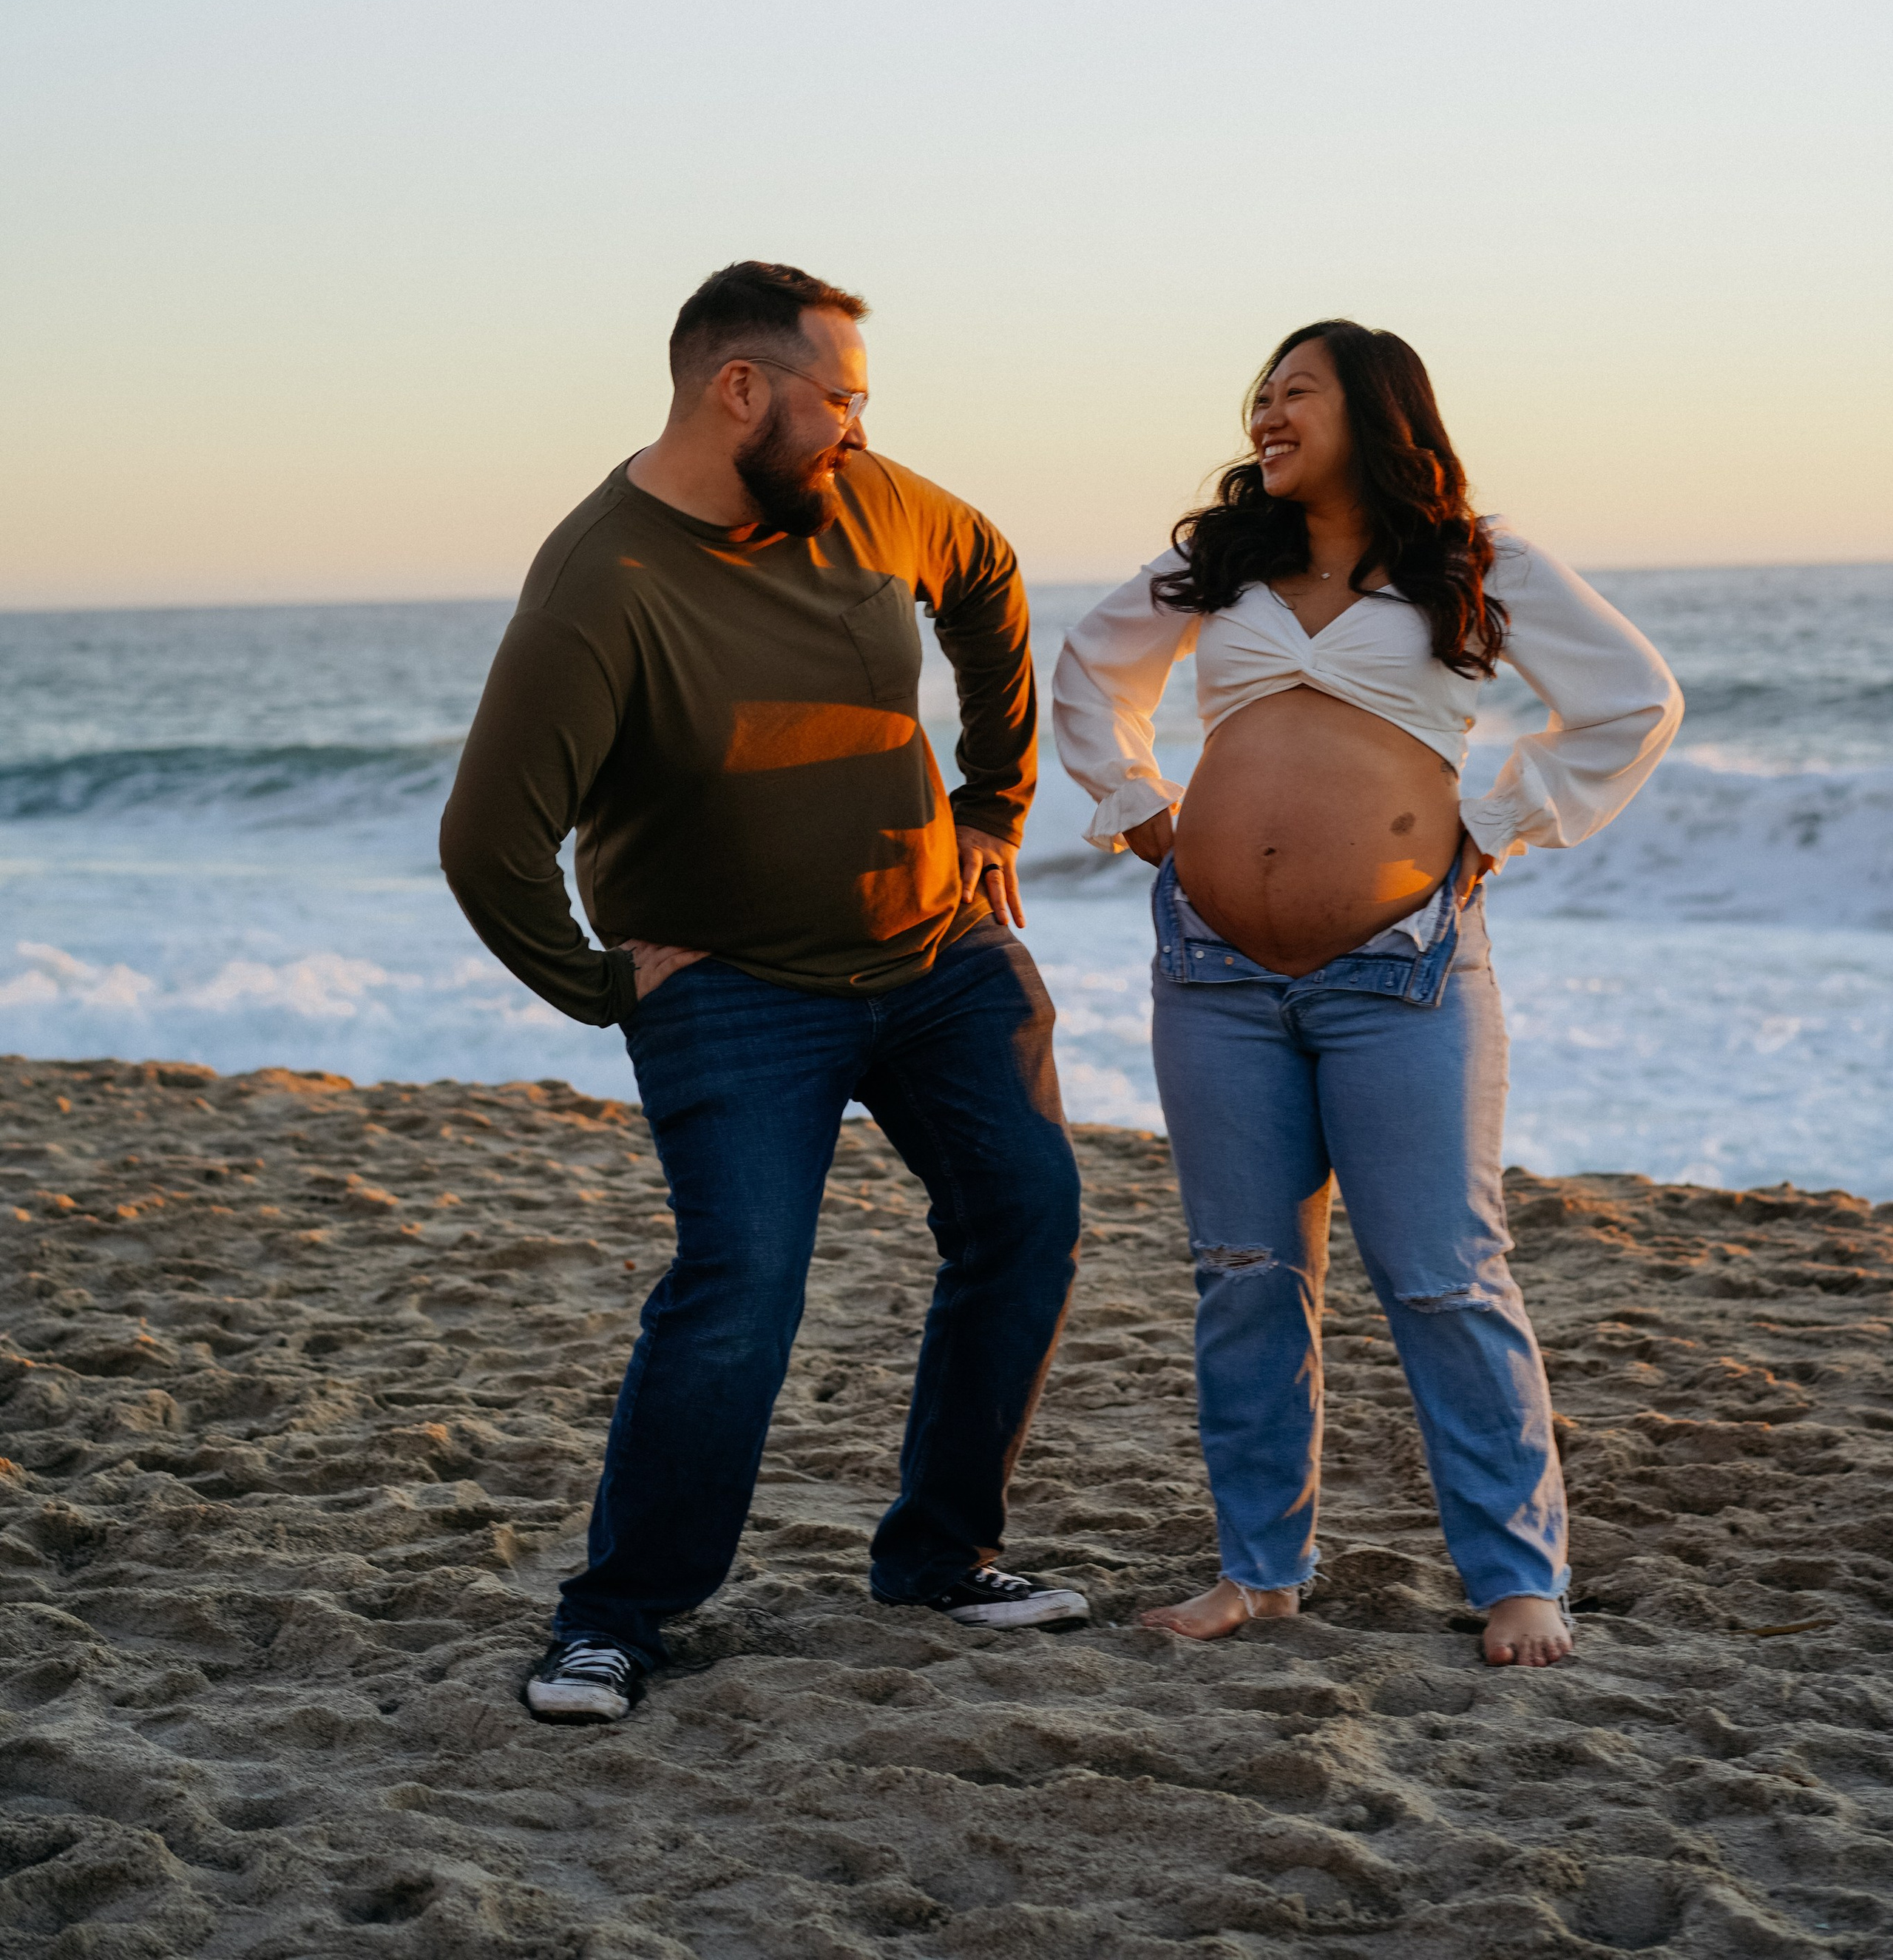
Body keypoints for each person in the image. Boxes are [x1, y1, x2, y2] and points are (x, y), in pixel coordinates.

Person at [440, 260, 1087, 1722]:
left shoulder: (868, 500)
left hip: (938, 954)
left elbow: (985, 579)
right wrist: (602, 984)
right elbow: (485, 840)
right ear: (741, 391)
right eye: (839, 399)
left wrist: (994, 800)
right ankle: (616, 1619)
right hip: (737, 996)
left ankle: (938, 1557)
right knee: (740, 1290)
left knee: (1026, 1218)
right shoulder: (597, 589)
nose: (857, 429)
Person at [1052, 320, 1682, 1670]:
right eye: (1261, 398)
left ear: (1378, 411)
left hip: (1402, 970)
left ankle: (1519, 1580)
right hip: (1211, 971)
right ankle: (1261, 1573)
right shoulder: (1220, 562)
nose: (1267, 417)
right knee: (1244, 1278)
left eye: (1297, 394)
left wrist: (1496, 820)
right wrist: (1141, 813)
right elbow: (1091, 674)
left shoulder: (1476, 559)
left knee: (1445, 1277)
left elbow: (1634, 702)